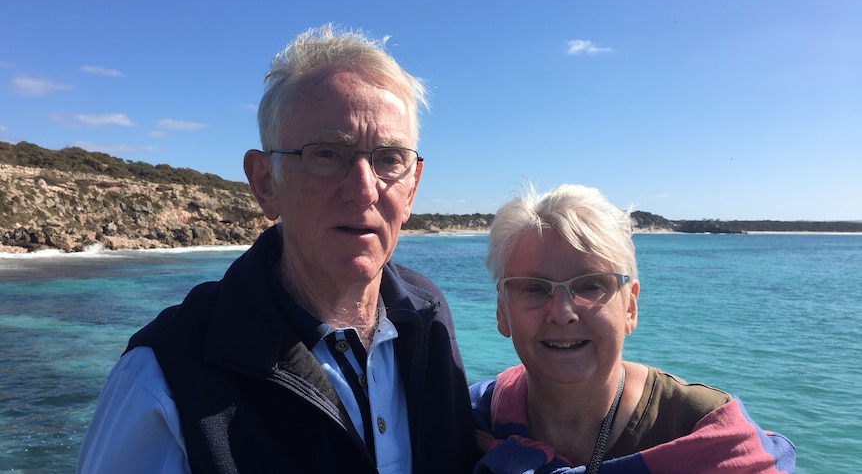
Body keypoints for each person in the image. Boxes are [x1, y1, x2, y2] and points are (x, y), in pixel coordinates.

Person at [78, 24, 477, 473]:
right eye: (327, 153)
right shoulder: (166, 376)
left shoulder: (427, 320)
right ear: (266, 183)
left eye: (389, 159)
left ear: (412, 188)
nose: (364, 190)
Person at [470, 183, 796, 474]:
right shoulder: (471, 417)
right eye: (534, 288)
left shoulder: (705, 433)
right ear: (502, 310)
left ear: (630, 307)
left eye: (591, 285)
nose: (562, 312)